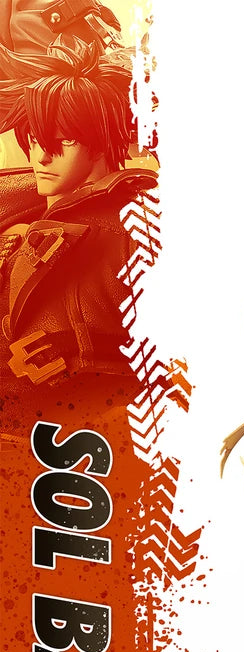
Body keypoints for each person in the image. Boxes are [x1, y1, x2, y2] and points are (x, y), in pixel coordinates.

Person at [0, 37, 156, 393]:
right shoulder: (19, 213)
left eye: (65, 141)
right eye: (35, 140)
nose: (41, 157)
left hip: (85, 413)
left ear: (99, 143)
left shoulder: (135, 229)